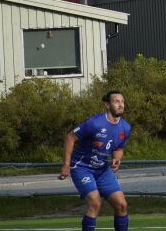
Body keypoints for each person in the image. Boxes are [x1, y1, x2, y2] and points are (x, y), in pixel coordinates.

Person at [59, 91, 132, 231]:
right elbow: (70, 137)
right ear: (107, 104)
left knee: (121, 205)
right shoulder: (94, 123)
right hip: (82, 167)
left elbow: (119, 148)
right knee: (95, 202)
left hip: (102, 169)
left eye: (122, 101)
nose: (120, 104)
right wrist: (66, 164)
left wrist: (117, 158)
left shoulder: (125, 127)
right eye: (116, 101)